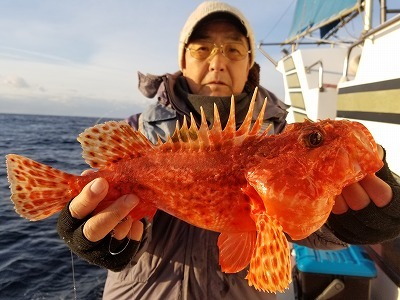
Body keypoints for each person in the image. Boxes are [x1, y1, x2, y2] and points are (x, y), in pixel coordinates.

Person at [57, 2, 400, 299]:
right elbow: (110, 213)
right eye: (202, 49)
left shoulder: (278, 135)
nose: (218, 63)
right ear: (183, 59)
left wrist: (351, 225)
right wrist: (99, 236)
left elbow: (304, 228)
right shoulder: (138, 132)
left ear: (250, 61)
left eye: (233, 49)